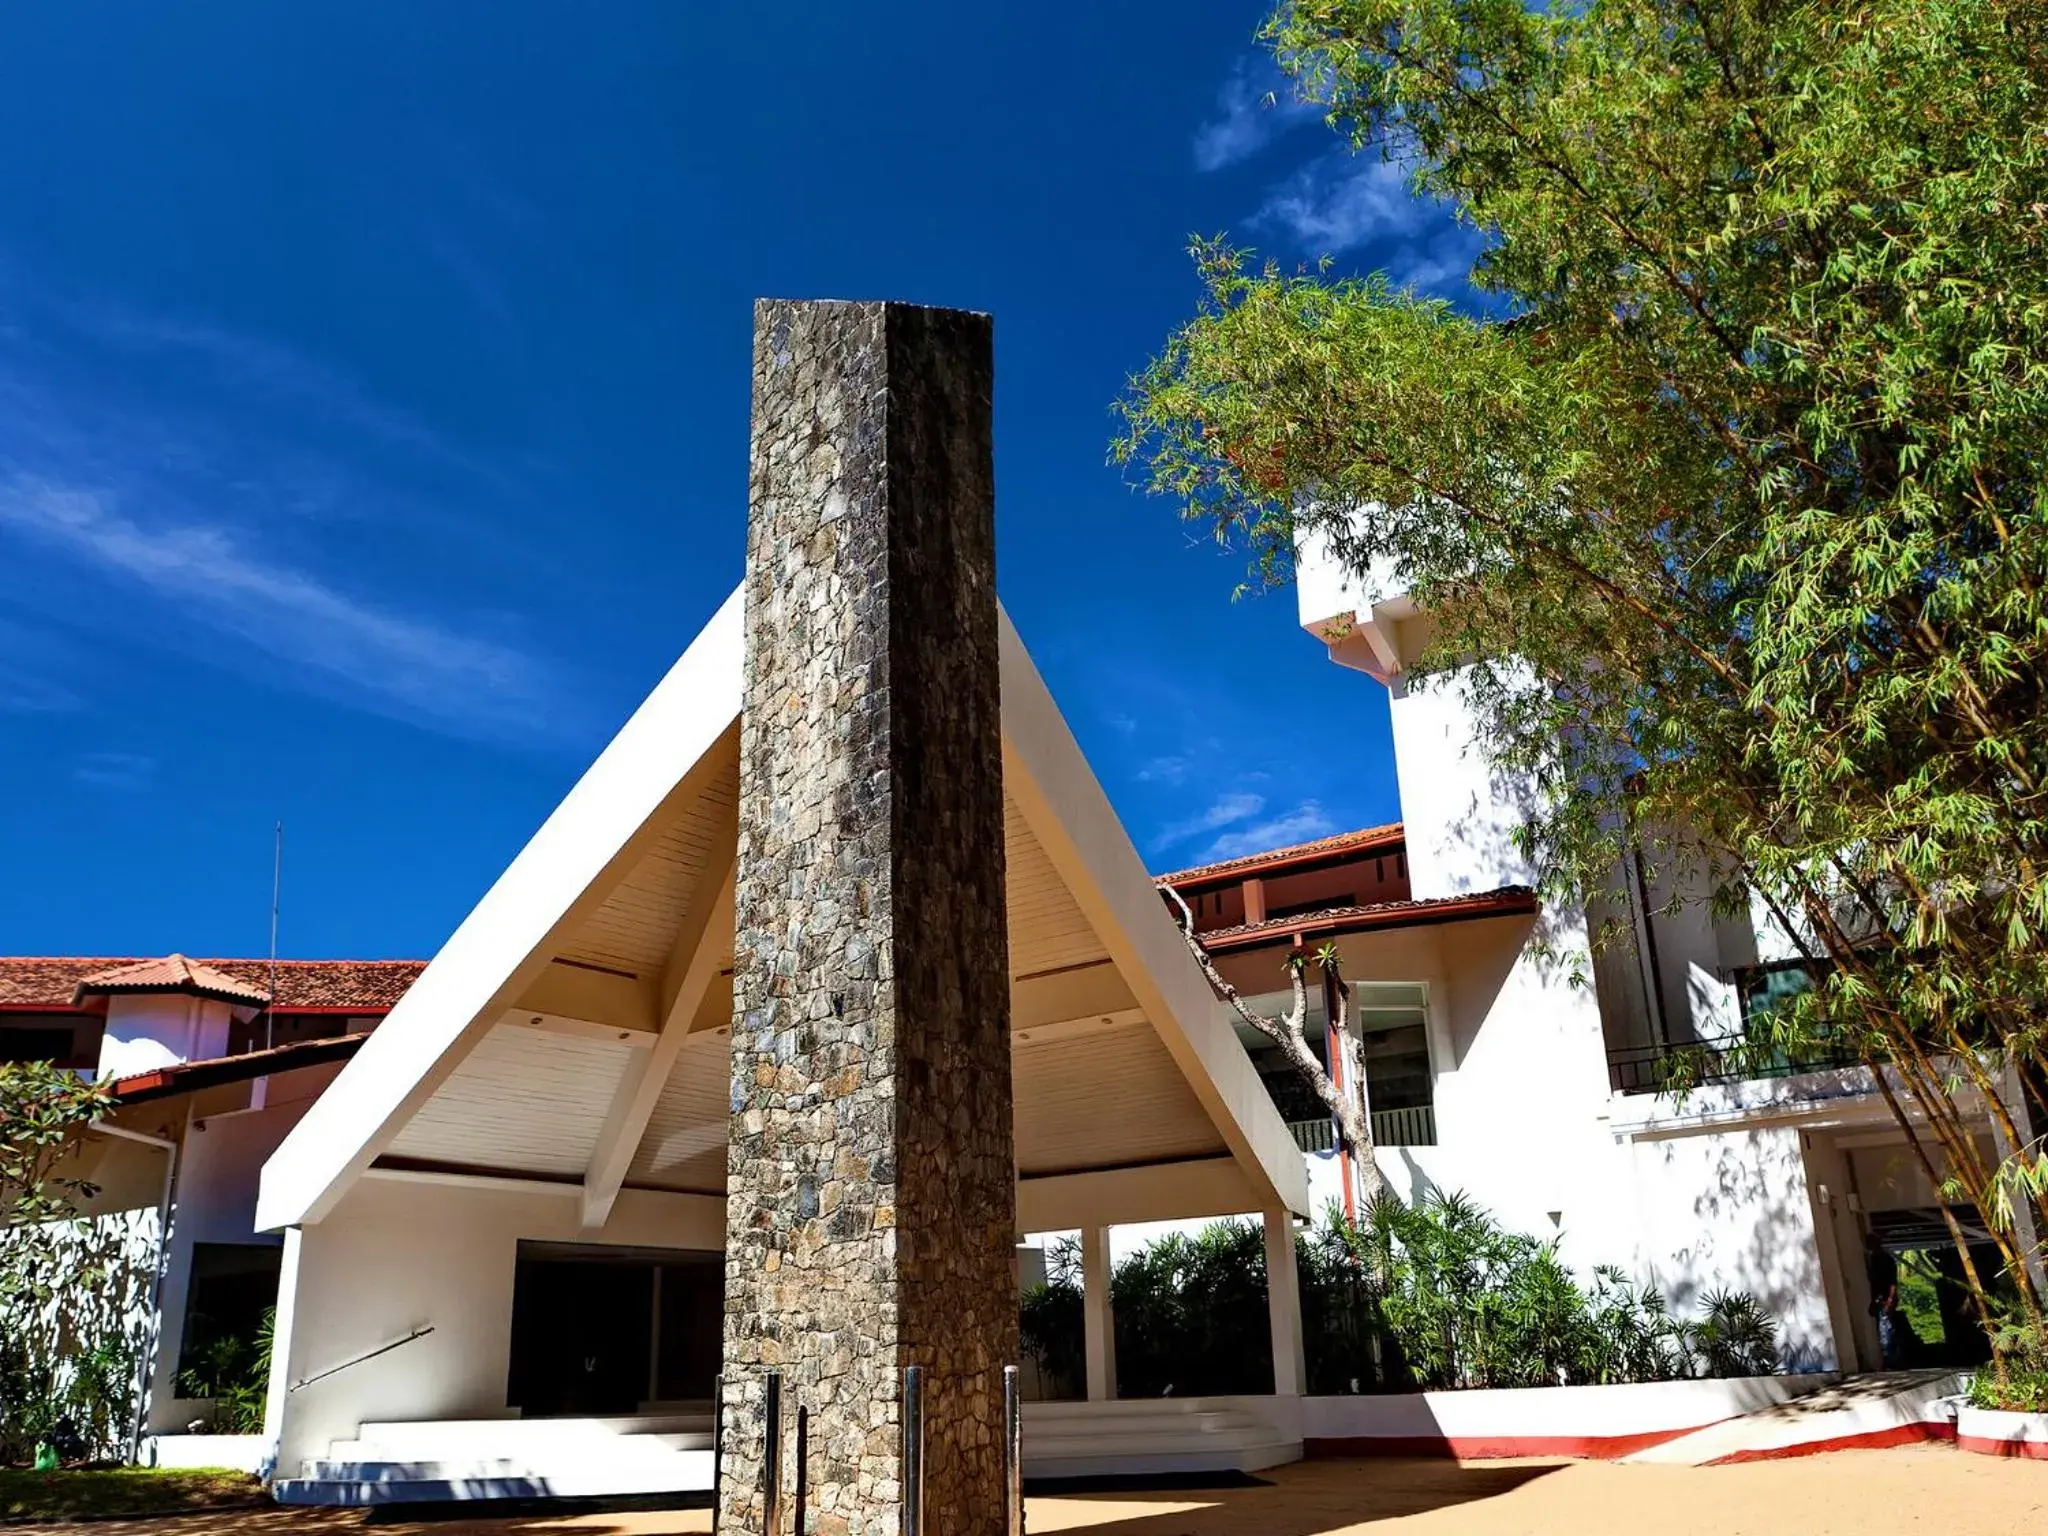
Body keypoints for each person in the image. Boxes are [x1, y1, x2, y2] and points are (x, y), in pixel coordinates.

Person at [1864, 1229, 1903, 1368]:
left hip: (1885, 1298)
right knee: (1883, 1330)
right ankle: (1890, 1360)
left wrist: (1890, 1299)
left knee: (1886, 1330)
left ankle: (1891, 1362)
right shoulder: (1874, 1259)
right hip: (1879, 1298)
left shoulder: (1885, 1259)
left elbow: (1892, 1281)